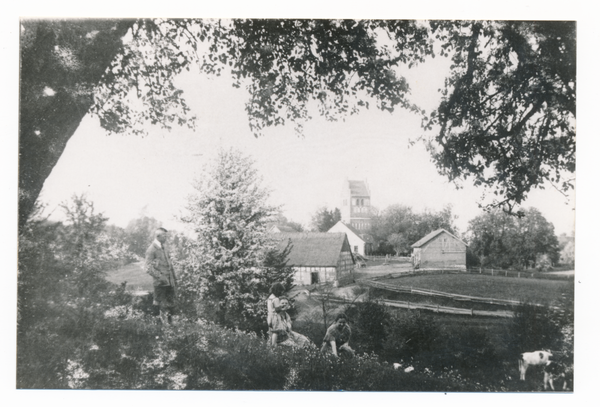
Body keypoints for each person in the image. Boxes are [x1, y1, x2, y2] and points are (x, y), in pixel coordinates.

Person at [145, 227, 177, 324]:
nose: (166, 238)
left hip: (170, 282)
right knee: (159, 304)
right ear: (158, 236)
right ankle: (159, 327)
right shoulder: (151, 249)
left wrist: (174, 279)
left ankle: (171, 326)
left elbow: (169, 265)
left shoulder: (164, 247)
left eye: (166, 236)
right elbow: (148, 267)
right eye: (164, 236)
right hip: (160, 283)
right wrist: (160, 277)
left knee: (171, 304)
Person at [266, 283, 313, 348]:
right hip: (275, 316)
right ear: (278, 290)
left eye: (285, 303)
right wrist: (283, 307)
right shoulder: (276, 299)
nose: (281, 293)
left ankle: (272, 344)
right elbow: (277, 309)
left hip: (270, 316)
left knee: (273, 330)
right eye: (281, 291)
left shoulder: (270, 297)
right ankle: (273, 344)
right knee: (276, 330)